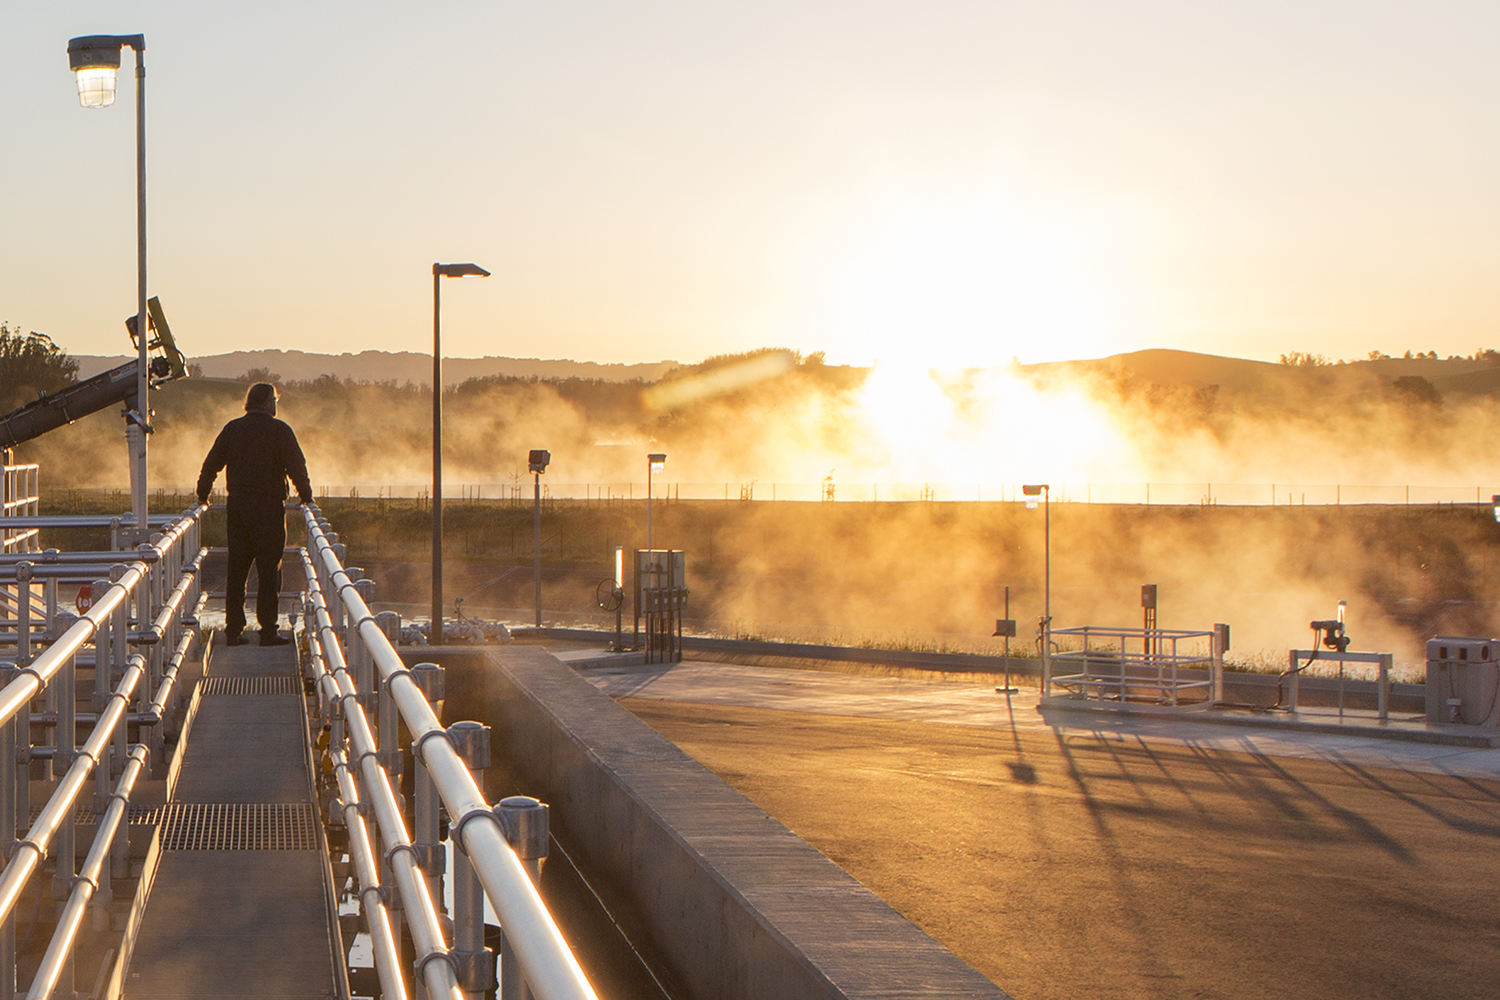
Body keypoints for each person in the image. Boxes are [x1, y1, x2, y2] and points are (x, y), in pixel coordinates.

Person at [196, 382, 313, 647]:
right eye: (275, 400)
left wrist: (203, 493)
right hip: (269, 508)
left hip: (238, 508)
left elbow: (211, 462)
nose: (276, 404)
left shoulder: (233, 429)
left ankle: (233, 630)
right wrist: (306, 496)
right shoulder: (280, 431)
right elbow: (297, 466)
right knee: (269, 570)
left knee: (237, 570)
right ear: (268, 401)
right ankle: (268, 631)